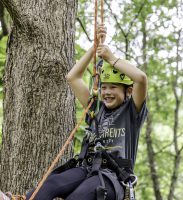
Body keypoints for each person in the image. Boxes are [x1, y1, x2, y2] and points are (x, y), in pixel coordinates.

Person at [25, 24, 148, 200]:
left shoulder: (132, 112)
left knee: (78, 196)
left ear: (128, 92)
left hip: (112, 178)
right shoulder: (95, 107)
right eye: (104, 87)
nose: (106, 92)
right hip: (86, 168)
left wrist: (111, 58)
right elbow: (72, 77)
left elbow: (141, 79)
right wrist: (94, 47)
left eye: (113, 87)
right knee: (46, 187)